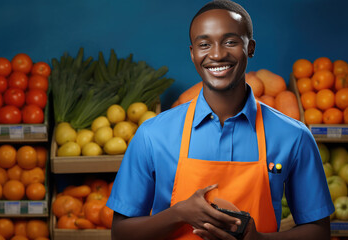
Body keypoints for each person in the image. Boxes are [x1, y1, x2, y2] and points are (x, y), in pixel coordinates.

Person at [106, 0, 334, 239]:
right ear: (193, 53)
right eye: (204, 44)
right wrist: (179, 214)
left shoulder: (293, 136)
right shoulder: (153, 134)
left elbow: (319, 232)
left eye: (230, 42)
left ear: (251, 47)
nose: (217, 54)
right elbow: (121, 233)